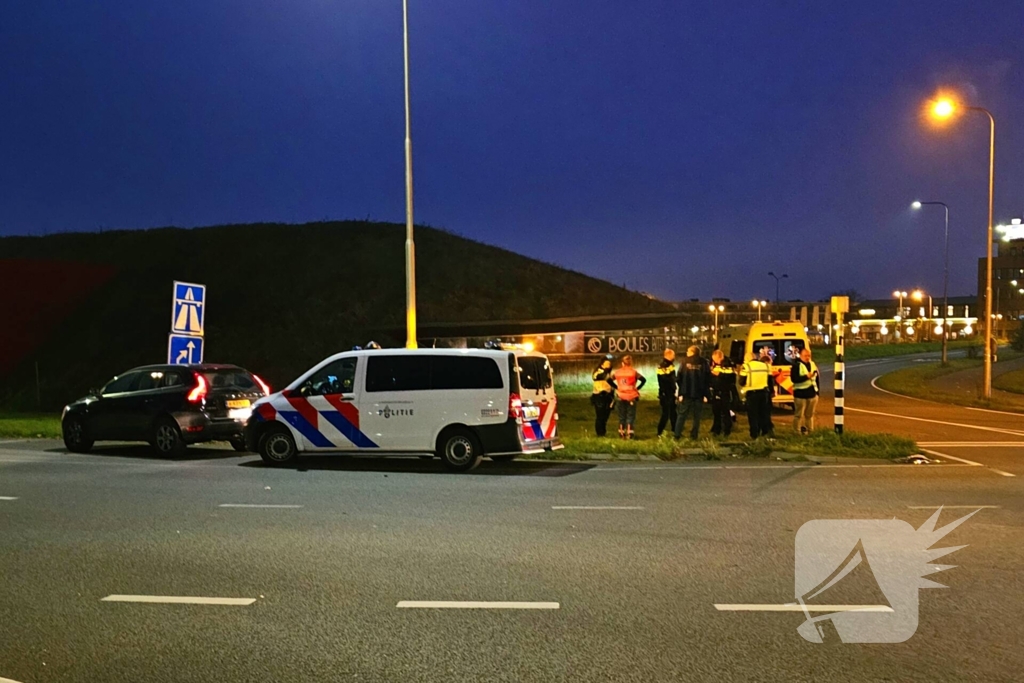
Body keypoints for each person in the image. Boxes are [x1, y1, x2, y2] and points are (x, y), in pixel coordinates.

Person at [674, 346, 710, 440]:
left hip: (686, 392)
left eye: (688, 351)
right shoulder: (704, 362)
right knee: (697, 416)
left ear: (692, 352)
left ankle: (677, 434)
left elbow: (678, 377)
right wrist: (706, 394)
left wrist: (681, 390)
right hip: (699, 392)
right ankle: (694, 435)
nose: (686, 352)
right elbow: (707, 378)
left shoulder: (684, 361)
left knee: (682, 414)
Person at [608, 355, 646, 439]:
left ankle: (621, 433)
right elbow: (643, 380)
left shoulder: (617, 372)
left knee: (621, 416)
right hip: (631, 396)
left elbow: (609, 380)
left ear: (622, 363)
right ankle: (629, 434)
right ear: (630, 363)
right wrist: (637, 388)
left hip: (620, 396)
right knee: (630, 415)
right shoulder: (634, 372)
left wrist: (616, 387)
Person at [740, 352, 774, 439]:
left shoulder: (746, 366)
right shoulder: (765, 366)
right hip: (764, 393)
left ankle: (754, 434)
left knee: (753, 415)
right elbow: (770, 380)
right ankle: (765, 432)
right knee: (763, 414)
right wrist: (771, 392)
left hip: (752, 394)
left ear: (747, 359)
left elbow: (741, 382)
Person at [791, 347, 820, 434]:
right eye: (805, 355)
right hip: (800, 394)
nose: (807, 357)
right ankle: (797, 432)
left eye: (809, 355)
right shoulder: (796, 365)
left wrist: (817, 392)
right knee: (799, 415)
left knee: (809, 415)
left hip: (812, 394)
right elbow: (794, 379)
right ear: (800, 355)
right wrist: (806, 377)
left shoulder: (812, 364)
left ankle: (810, 431)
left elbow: (816, 378)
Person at [709, 349, 737, 437]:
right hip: (716, 391)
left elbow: (732, 378)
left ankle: (727, 430)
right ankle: (716, 430)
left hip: (725, 391)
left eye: (715, 359)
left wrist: (719, 375)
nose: (714, 361)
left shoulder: (728, 364)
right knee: (716, 412)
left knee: (725, 412)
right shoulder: (716, 364)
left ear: (720, 357)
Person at [590, 356, 615, 437]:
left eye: (610, 364)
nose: (609, 365)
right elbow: (605, 379)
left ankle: (603, 432)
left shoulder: (608, 373)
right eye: (607, 363)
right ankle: (600, 433)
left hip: (608, 396)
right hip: (599, 396)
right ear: (602, 364)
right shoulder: (597, 372)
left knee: (606, 415)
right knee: (600, 416)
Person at [656, 349, 678, 436]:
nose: (674, 357)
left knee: (673, 412)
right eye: (673, 355)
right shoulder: (665, 366)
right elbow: (668, 380)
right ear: (669, 355)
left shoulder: (666, 365)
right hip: (666, 393)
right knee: (666, 413)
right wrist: (674, 387)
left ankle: (675, 430)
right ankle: (660, 431)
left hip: (667, 392)